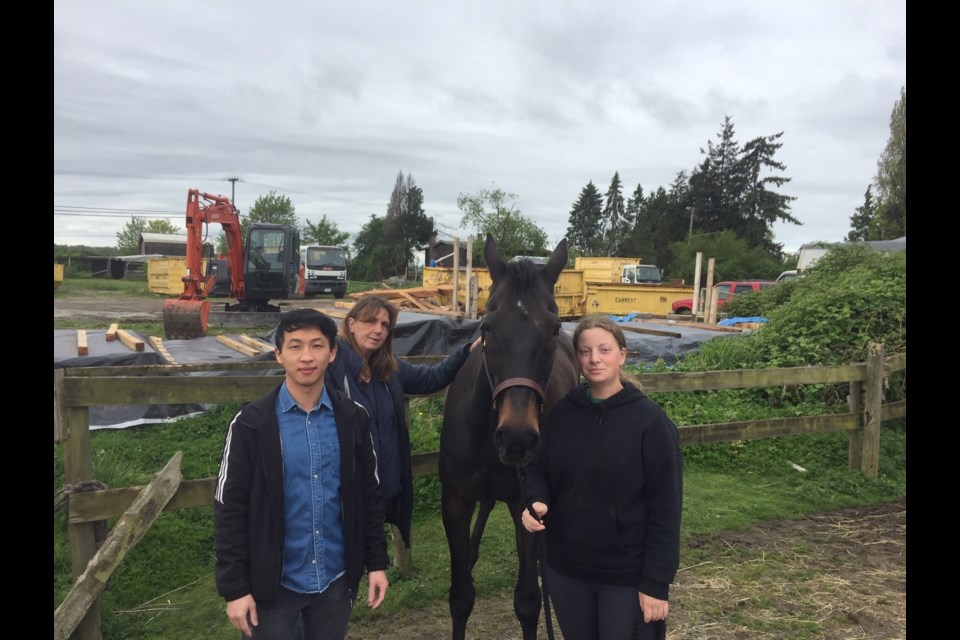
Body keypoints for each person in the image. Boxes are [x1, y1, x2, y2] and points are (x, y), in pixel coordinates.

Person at [213, 308, 389, 639]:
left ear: (333, 353)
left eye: (317, 345)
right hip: (273, 588)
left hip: (335, 581)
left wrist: (376, 562)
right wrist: (235, 588)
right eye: (295, 346)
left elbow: (370, 495)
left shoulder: (353, 418)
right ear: (279, 354)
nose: (306, 357)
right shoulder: (252, 424)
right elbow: (229, 509)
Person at [521, 314, 683, 640]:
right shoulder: (561, 414)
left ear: (622, 354)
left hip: (625, 577)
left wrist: (656, 584)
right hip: (566, 570)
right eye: (585, 351)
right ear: (576, 357)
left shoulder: (650, 423)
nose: (594, 359)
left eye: (604, 349)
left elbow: (666, 509)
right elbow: (535, 467)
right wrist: (536, 499)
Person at [325, 296, 480, 549]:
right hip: (345, 496)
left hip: (382, 493)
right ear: (351, 324)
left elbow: (431, 378)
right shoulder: (331, 369)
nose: (378, 330)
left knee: (373, 564)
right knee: (345, 565)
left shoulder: (388, 370)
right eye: (370, 321)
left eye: (385, 325)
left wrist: (466, 352)